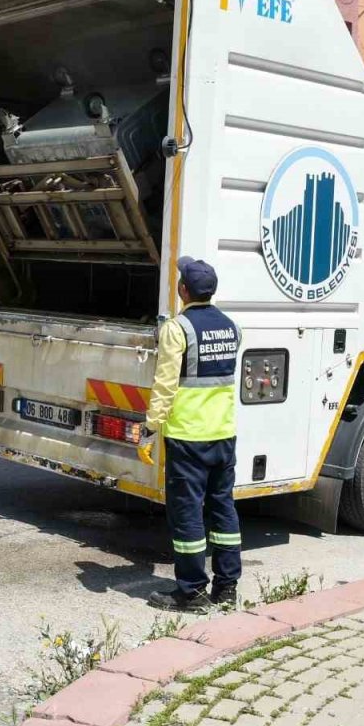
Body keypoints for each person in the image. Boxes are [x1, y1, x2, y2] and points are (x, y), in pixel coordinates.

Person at [143, 256, 242, 612]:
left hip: (188, 436)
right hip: (223, 433)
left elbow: (166, 384)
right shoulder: (231, 327)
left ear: (183, 290)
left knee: (187, 513)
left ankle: (191, 592)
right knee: (223, 508)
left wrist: (150, 426)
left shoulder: (177, 329)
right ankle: (227, 589)